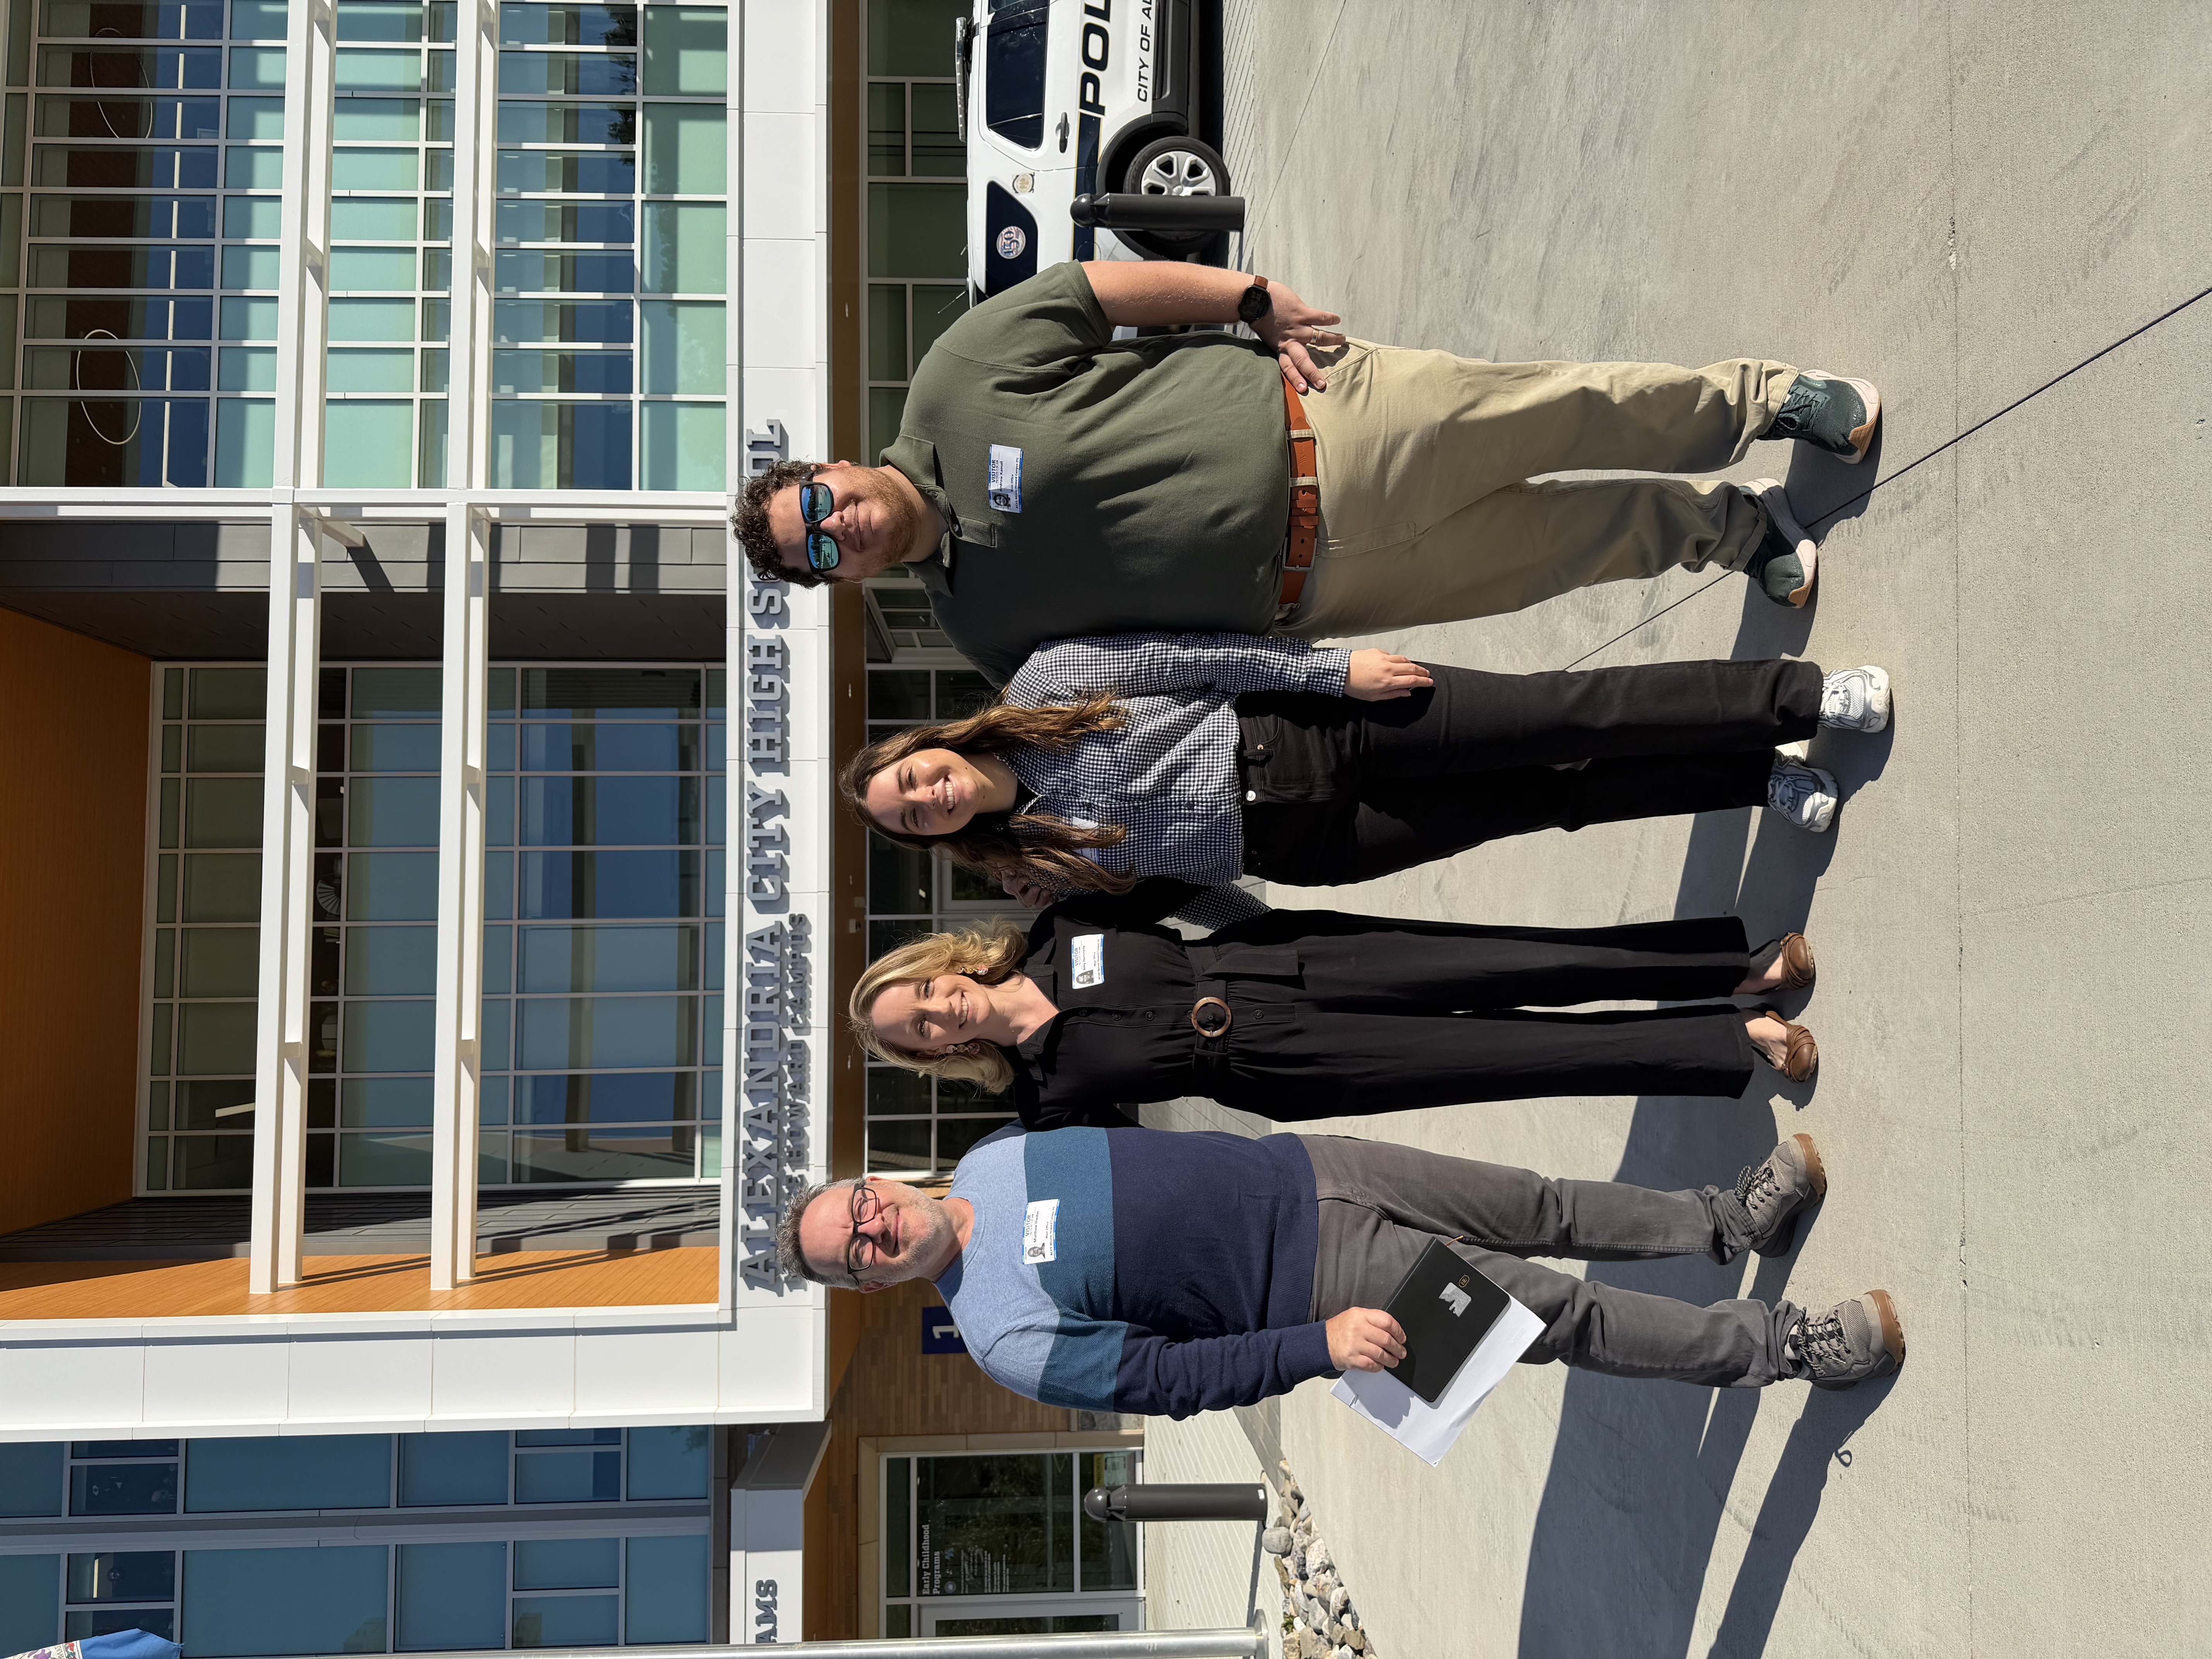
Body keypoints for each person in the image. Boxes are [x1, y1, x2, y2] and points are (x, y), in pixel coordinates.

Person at [730, 259, 1882, 684]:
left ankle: (1766, 396)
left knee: (1562, 409)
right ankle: (1737, 534)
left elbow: (1098, 294)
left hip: (1329, 424)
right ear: (840, 580)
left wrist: (1250, 301)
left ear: (833, 464)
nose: (843, 527)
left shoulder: (955, 377)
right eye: (818, 551)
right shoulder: (984, 632)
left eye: (818, 504)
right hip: (1318, 594)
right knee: (1556, 555)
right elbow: (1149, 672)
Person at [776, 1123, 1905, 1418]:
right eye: (857, 1251)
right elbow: (1172, 1382)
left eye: (859, 1203)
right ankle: (1783, 1349)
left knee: (1539, 1202)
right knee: (1556, 1317)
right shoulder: (1003, 1339)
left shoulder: (990, 1155)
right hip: (1327, 1290)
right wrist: (1318, 1347)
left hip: (1317, 1165)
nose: (874, 1225)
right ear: (871, 1286)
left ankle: (1720, 1222)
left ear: (872, 1178)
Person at [841, 637, 1891, 902]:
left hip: (1311, 731)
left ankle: (1797, 697)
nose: (930, 797)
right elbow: (1187, 901)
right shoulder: (1033, 864)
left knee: (1557, 712)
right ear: (932, 839)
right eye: (915, 817)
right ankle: (1760, 776)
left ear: (931, 744)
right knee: (1554, 799)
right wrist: (1262, 925)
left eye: (916, 778)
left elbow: (1200, 655)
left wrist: (1334, 671)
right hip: (1308, 846)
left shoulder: (1046, 683)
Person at [850, 880, 1824, 1115]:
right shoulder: (1040, 1101)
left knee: (1525, 963)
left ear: (943, 966)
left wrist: (1269, 921)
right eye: (922, 1030)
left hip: (1294, 961)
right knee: (1522, 1058)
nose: (940, 1013)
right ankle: (1735, 1042)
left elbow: (1190, 882)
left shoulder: (1061, 927)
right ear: (933, 1055)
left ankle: (1725, 973)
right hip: (1289, 1067)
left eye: (925, 992)